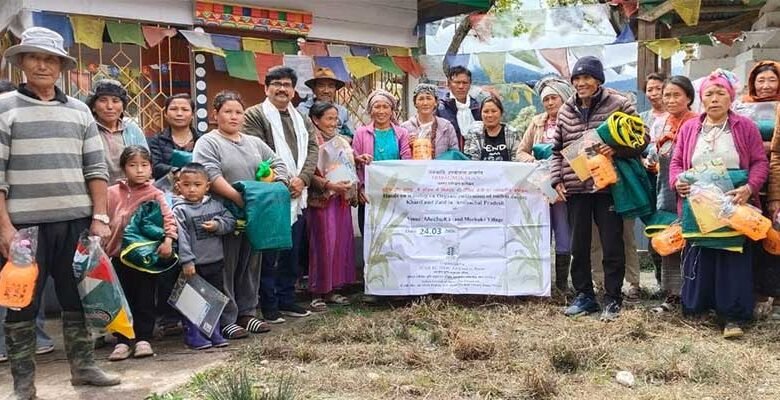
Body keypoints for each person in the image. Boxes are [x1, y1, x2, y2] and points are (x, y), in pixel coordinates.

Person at [0, 27, 120, 398]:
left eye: (50, 58)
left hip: (76, 225)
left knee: (78, 298)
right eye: (34, 57)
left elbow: (95, 170)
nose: (42, 65)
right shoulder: (5, 109)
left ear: (60, 66)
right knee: (21, 303)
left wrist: (99, 217)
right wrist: (5, 230)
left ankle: (83, 368)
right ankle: (24, 383)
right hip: (25, 229)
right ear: (21, 62)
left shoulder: (79, 111)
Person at [670, 69, 768, 338]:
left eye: (720, 93)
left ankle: (732, 316)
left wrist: (749, 188)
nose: (714, 99)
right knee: (701, 253)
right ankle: (699, 311)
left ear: (730, 97)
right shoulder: (691, 127)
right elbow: (678, 162)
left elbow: (760, 161)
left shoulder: (744, 127)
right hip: (698, 202)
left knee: (731, 255)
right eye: (708, 94)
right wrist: (677, 181)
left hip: (732, 201)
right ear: (701, 99)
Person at [550, 56, 645, 321]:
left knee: (612, 244)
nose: (581, 83)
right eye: (577, 79)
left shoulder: (620, 104)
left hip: (609, 187)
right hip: (576, 187)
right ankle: (585, 296)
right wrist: (557, 180)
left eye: (587, 78)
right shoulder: (565, 110)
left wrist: (616, 148)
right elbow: (556, 151)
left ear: (599, 80)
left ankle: (613, 298)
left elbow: (642, 139)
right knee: (578, 245)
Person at [193, 90, 289, 339]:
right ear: (215, 115)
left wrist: (276, 183)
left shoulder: (253, 142)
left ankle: (247, 312)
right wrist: (240, 200)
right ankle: (225, 318)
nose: (234, 117)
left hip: (255, 215)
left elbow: (278, 163)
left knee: (251, 263)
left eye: (238, 112)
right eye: (228, 112)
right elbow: (210, 176)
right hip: (222, 214)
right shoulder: (208, 142)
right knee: (225, 264)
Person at [243, 66, 318, 323]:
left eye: (287, 84)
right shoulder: (254, 115)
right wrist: (285, 180)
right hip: (271, 194)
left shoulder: (302, 119)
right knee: (269, 253)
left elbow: (312, 149)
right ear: (266, 88)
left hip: (298, 193)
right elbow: (256, 151)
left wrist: (303, 179)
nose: (282, 89)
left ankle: (287, 299)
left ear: (294, 90)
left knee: (292, 251)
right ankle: (268, 303)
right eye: (276, 84)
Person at [0, 80, 55, 364]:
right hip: (11, 219)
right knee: (13, 285)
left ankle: (39, 337)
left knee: (28, 281)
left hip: (34, 217)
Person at [105, 146, 177, 361]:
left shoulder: (156, 194)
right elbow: (103, 221)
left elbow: (168, 219)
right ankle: (123, 340)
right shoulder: (111, 193)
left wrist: (168, 240)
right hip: (117, 256)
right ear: (123, 168)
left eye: (144, 165)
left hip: (145, 258)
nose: (139, 170)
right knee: (121, 299)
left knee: (145, 296)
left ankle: (144, 338)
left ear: (151, 168)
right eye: (133, 165)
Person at [516, 76, 574, 292]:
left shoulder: (573, 120)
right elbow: (521, 151)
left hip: (564, 185)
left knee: (563, 232)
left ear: (564, 97)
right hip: (540, 186)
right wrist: (533, 160)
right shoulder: (537, 122)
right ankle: (538, 283)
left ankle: (561, 286)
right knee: (538, 232)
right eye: (546, 99)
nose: (549, 103)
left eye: (553, 98)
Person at [172, 162, 236, 349]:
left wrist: (217, 225)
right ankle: (193, 335)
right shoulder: (179, 210)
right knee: (192, 300)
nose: (192, 189)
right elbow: (181, 238)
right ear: (178, 185)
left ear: (207, 186)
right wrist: (187, 261)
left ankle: (213, 332)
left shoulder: (215, 205)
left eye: (197, 185)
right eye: (186, 184)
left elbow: (230, 221)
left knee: (214, 298)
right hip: (193, 265)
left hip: (215, 260)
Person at [650, 76, 698, 313]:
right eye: (666, 95)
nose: (670, 100)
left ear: (689, 97)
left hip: (689, 190)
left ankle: (690, 293)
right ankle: (672, 294)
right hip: (666, 189)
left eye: (676, 95)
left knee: (688, 239)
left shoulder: (696, 122)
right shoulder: (665, 122)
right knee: (669, 238)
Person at [306, 102, 358, 309]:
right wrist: (328, 185)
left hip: (340, 199)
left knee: (339, 243)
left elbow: (347, 165)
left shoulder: (341, 142)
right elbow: (308, 171)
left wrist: (358, 160)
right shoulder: (310, 143)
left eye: (336, 118)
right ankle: (318, 291)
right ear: (315, 120)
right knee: (322, 245)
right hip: (321, 200)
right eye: (328, 118)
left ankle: (334, 288)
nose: (333, 123)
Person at [744, 61, 780, 317]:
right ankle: (756, 292)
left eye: (771, 80)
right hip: (752, 183)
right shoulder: (742, 107)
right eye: (760, 81)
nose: (766, 86)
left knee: (776, 240)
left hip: (777, 182)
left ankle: (775, 296)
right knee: (754, 238)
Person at [353, 89, 412, 234]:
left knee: (394, 234)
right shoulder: (361, 133)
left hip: (395, 193)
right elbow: (354, 163)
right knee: (370, 237)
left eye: (385, 107)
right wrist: (360, 188)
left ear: (392, 110)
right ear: (370, 110)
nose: (381, 111)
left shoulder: (401, 133)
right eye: (377, 107)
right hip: (369, 194)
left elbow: (407, 160)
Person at [88, 79, 148, 184]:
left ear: (123, 107)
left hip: (129, 192)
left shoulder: (132, 129)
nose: (110, 106)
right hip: (96, 191)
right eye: (103, 100)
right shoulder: (87, 129)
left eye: (115, 101)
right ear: (93, 106)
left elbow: (145, 162)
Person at [148, 93, 200, 180]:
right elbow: (155, 166)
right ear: (165, 113)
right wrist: (175, 171)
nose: (179, 113)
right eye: (173, 109)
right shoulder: (156, 141)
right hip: (164, 190)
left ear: (192, 115)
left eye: (185, 109)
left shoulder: (202, 140)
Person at [401, 83, 459, 159]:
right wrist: (409, 147)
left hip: (439, 169)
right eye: (421, 99)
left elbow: (454, 153)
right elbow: (401, 156)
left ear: (435, 102)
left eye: (429, 98)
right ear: (415, 103)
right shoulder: (405, 128)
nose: (425, 103)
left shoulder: (446, 127)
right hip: (414, 169)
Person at [297, 67, 354, 140]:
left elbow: (351, 135)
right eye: (321, 86)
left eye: (331, 86)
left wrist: (338, 140)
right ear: (314, 89)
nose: (326, 91)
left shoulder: (343, 112)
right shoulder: (302, 110)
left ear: (335, 90)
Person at [436, 65, 481, 149]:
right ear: (449, 84)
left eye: (465, 83)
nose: (461, 86)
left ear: (470, 84)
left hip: (475, 158)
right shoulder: (440, 108)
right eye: (457, 82)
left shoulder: (478, 107)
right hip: (449, 156)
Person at [464, 97, 521, 161]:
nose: (490, 115)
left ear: (501, 113)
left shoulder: (513, 133)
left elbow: (517, 159)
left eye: (494, 111)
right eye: (486, 111)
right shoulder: (474, 134)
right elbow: (470, 160)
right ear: (481, 114)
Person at [640, 72, 669, 144]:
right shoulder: (641, 118)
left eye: (658, 88)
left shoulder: (676, 116)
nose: (654, 93)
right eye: (649, 90)